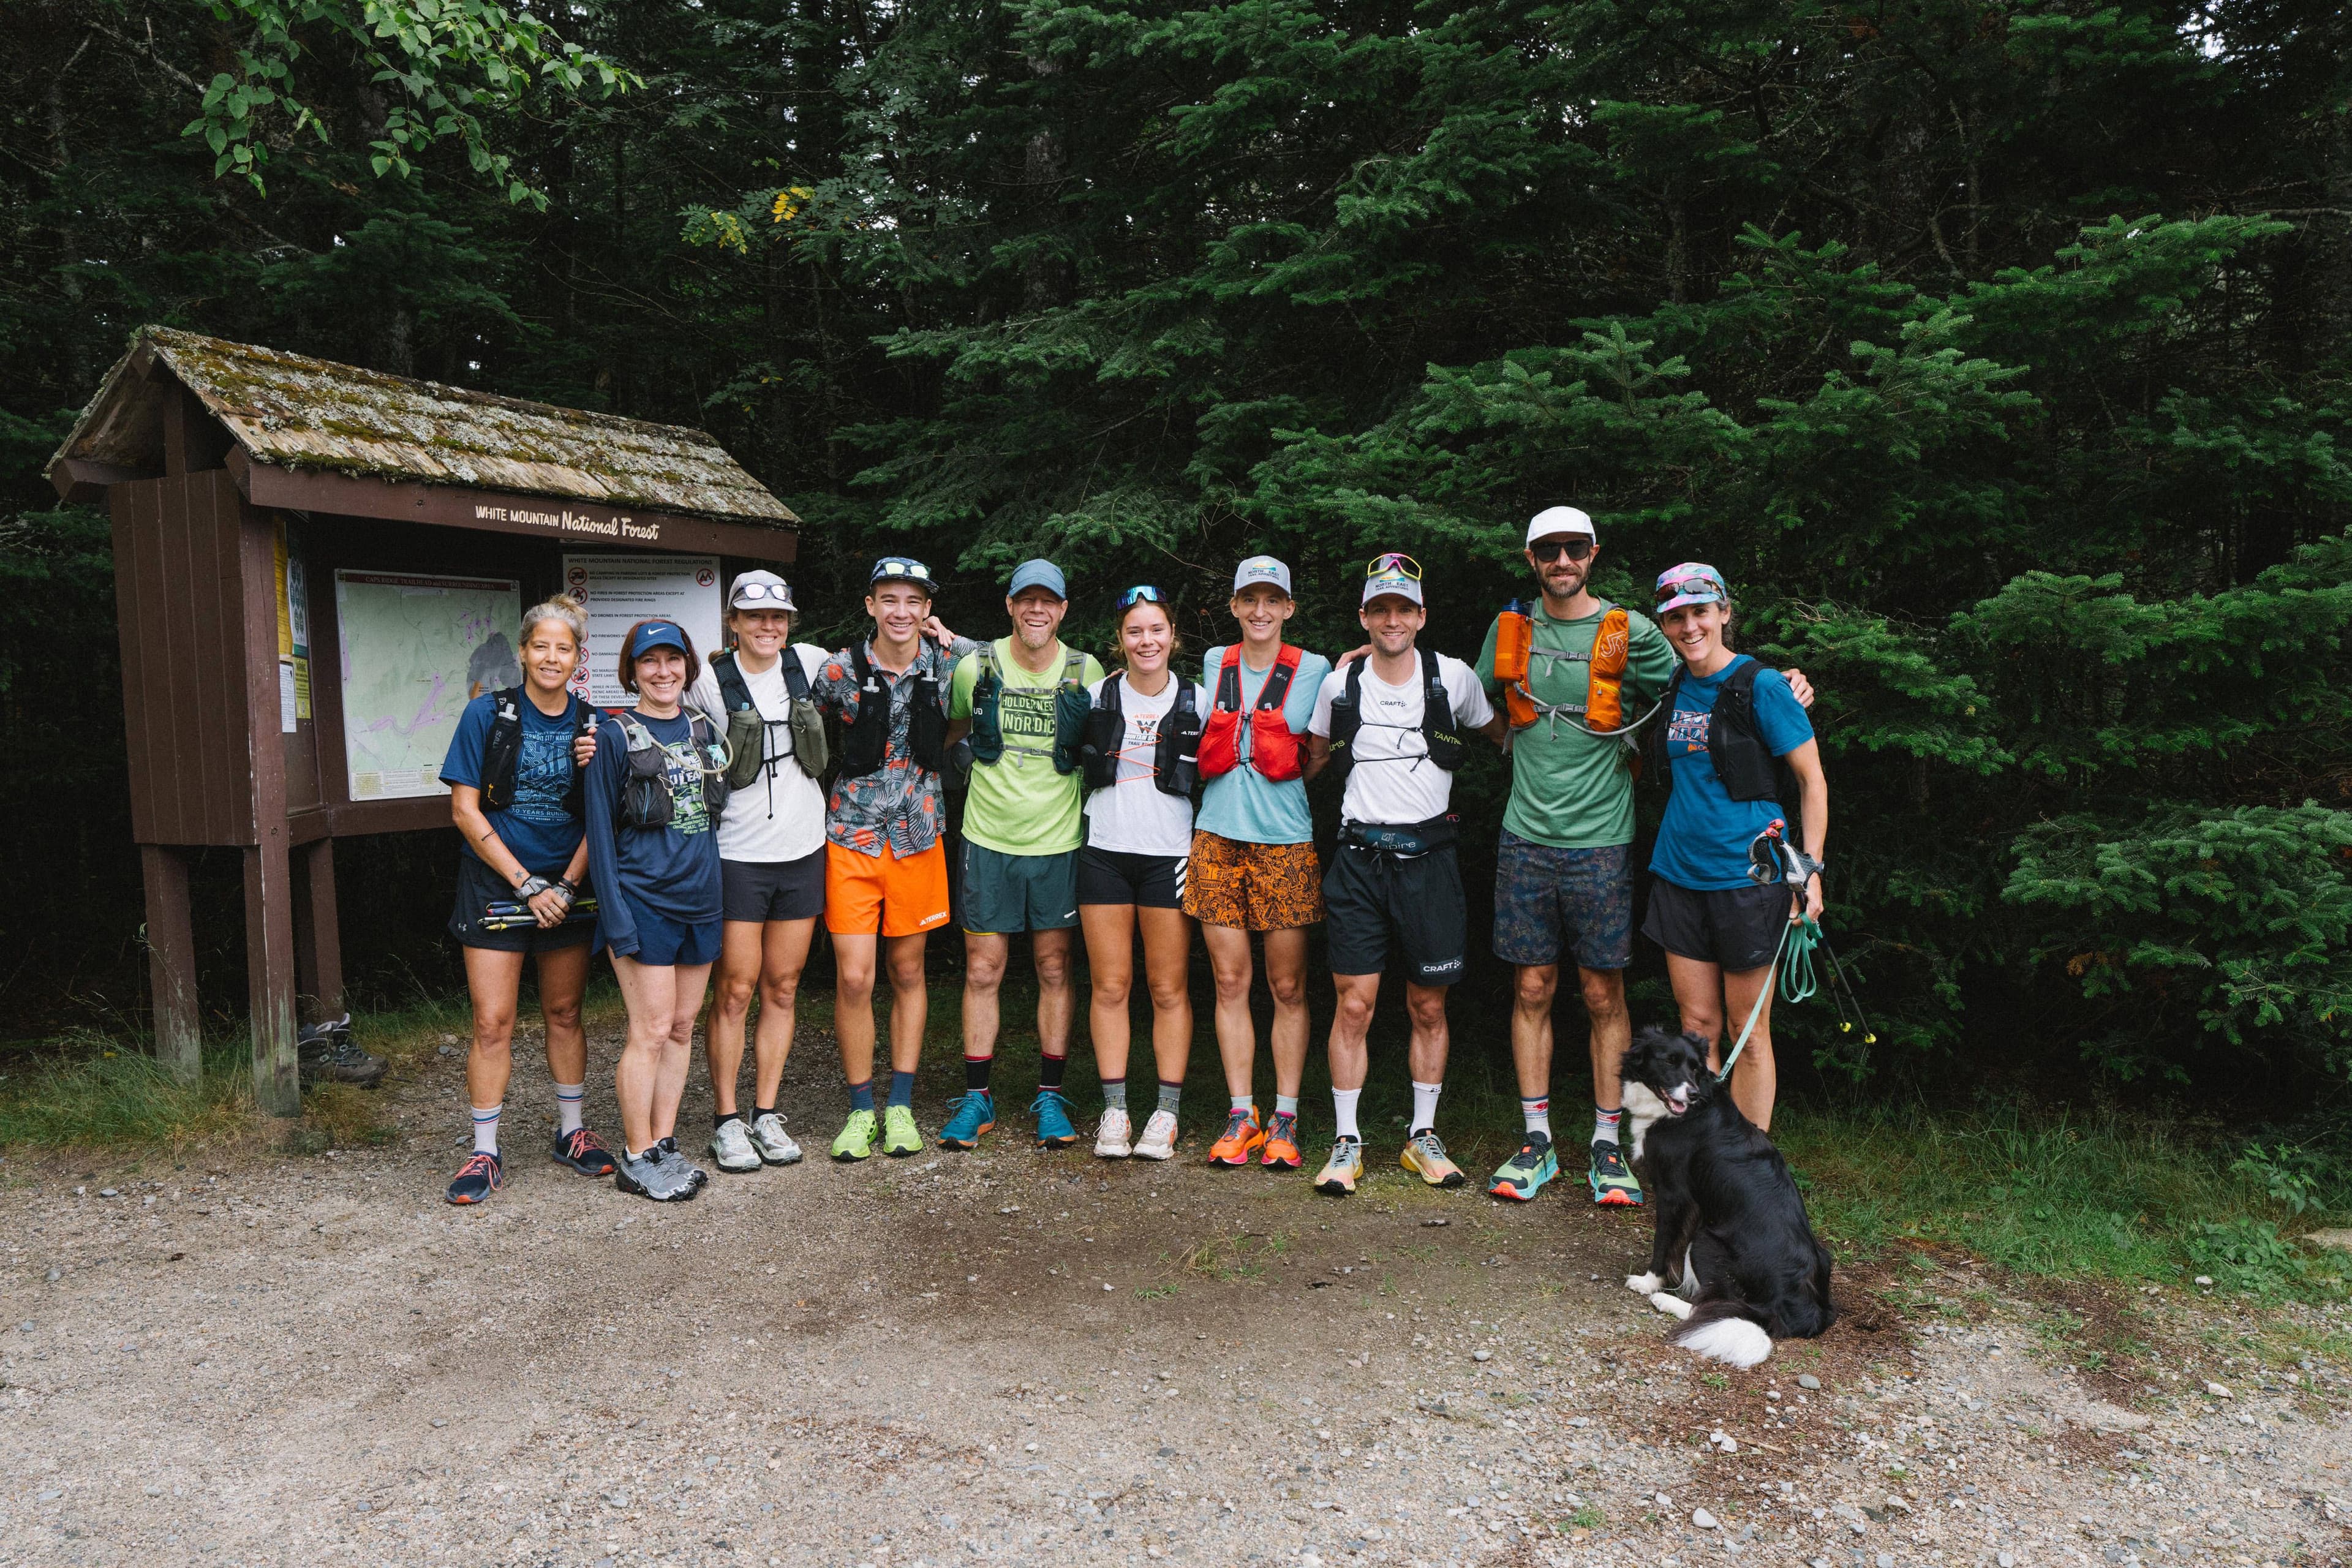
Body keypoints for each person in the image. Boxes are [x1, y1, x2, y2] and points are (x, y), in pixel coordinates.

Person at [1474, 507, 1811, 1207]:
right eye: (1548, 550)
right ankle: (1537, 1140)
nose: (1561, 559)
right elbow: (1482, 704)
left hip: (1604, 839)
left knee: (1604, 993)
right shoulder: (1510, 631)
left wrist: (1784, 680)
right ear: (1531, 558)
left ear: (1592, 553)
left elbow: (1711, 670)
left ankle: (1608, 1144)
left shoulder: (1635, 633)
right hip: (1525, 836)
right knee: (1531, 989)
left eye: (1573, 548)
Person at [1303, 554, 1504, 1196]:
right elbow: (1308, 760)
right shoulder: (1340, 686)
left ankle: (1422, 1136)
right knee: (1354, 1004)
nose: (1393, 619)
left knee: (1428, 1002)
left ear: (1421, 616)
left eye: (1404, 608)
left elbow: (1506, 734)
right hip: (1359, 859)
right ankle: (1346, 1141)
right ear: (1365, 616)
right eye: (1380, 609)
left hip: (1432, 859)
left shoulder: (1454, 678)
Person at [437, 594, 610, 1205]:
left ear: (577, 658)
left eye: (564, 648)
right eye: (541, 646)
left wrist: (563, 884)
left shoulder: (594, 724)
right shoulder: (486, 715)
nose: (551, 657)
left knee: (564, 1012)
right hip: (497, 881)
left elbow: (603, 816)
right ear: (523, 651)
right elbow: (463, 808)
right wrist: (526, 883)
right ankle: (484, 1150)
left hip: (568, 886)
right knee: (493, 1021)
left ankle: (572, 1133)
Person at [1642, 563, 1826, 1132]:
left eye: (1701, 612)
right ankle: (1705, 1156)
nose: (1690, 627)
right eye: (1676, 617)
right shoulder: (1671, 684)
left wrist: (1810, 871)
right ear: (1665, 625)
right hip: (1679, 875)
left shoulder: (1763, 686)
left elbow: (1812, 782)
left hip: (1750, 880)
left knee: (1750, 1030)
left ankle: (1748, 1165)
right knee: (1697, 1027)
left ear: (1724, 613)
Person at [809, 558, 976, 1161]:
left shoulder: (948, 663)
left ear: (927, 608)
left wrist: (954, 640)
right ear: (870, 604)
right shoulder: (837, 669)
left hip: (918, 834)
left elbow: (1008, 666)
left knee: (908, 972)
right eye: (890, 599)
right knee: (855, 976)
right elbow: (803, 725)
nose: (902, 611)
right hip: (852, 836)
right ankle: (861, 1111)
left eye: (914, 600)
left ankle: (900, 1105)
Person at [940, 559, 1107, 1151]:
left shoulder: (1088, 671)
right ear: (1010, 606)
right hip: (988, 839)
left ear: (1063, 610)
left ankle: (1050, 1094)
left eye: (1049, 602)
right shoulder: (974, 668)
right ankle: (978, 1097)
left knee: (1055, 969)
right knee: (984, 969)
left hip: (1058, 843)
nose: (1037, 610)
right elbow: (955, 733)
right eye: (1026, 600)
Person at [1184, 556, 1333, 1172]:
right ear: (1237, 605)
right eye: (1251, 598)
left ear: (1289, 607)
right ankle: (1241, 1113)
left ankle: (1286, 1117)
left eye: (1273, 599)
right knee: (1229, 983)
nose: (1261, 610)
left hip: (1285, 843)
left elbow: (1319, 751)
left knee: (1288, 986)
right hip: (1216, 838)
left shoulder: (1317, 668)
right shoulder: (1214, 662)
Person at [687, 570, 831, 1174]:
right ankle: (726, 1120)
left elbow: (887, 654)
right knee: (736, 989)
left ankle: (766, 1112)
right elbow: (659, 716)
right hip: (738, 852)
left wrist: (938, 634)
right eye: (754, 616)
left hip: (803, 849)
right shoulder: (707, 682)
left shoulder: (813, 663)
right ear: (734, 621)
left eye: (777, 617)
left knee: (783, 986)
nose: (767, 626)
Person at [582, 619, 730, 1202]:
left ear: (687, 667)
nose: (663, 672)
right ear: (633, 671)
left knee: (681, 1027)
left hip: (702, 899)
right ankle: (636, 1153)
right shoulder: (614, 737)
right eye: (650, 662)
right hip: (643, 901)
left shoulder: (703, 728)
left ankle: (664, 1142)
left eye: (673, 660)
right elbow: (598, 829)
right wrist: (614, 918)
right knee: (647, 1029)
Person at [1074, 586, 1205, 1159]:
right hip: (1103, 849)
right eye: (1134, 632)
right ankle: (1115, 1110)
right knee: (1109, 986)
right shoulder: (1095, 695)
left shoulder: (1197, 698)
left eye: (1156, 630)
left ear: (1172, 637)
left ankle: (1166, 1114)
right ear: (1119, 640)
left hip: (1168, 855)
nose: (1146, 641)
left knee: (1167, 987)